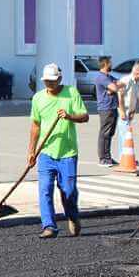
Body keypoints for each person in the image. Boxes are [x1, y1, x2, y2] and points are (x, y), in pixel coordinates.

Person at [28, 63, 90, 238]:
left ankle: (72, 215)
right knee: (45, 189)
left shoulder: (71, 93)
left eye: (53, 81)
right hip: (46, 153)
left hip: (67, 153)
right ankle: (49, 226)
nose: (50, 84)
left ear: (60, 79)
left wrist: (70, 116)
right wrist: (31, 151)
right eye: (47, 81)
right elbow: (35, 126)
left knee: (68, 190)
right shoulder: (38, 99)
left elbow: (84, 116)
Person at [113, 62, 139, 161]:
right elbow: (120, 95)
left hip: (130, 111)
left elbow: (137, 98)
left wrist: (134, 111)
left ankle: (126, 156)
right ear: (138, 73)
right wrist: (122, 111)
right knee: (124, 135)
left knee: (127, 134)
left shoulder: (137, 83)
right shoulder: (126, 80)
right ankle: (124, 158)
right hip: (124, 110)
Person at [93, 56, 119, 167]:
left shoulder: (108, 77)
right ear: (105, 64)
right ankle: (103, 158)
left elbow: (120, 84)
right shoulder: (101, 77)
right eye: (110, 63)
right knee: (105, 134)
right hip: (106, 108)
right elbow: (115, 88)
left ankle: (108, 157)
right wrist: (112, 88)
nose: (112, 64)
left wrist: (114, 87)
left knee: (110, 133)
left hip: (112, 107)